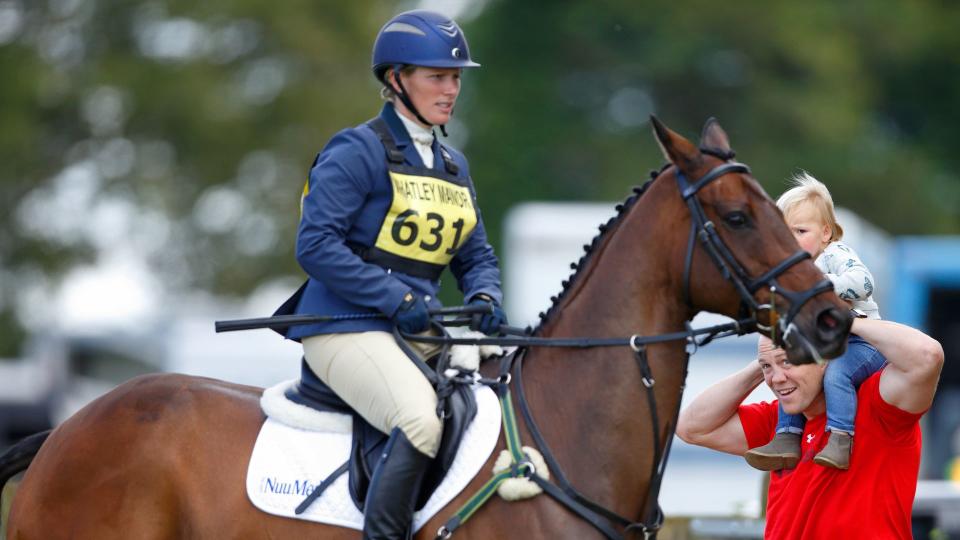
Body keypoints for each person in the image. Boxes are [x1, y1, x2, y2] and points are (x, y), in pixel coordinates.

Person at [273, 10, 506, 539]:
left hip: (412, 328)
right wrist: (395, 296)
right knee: (419, 420)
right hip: (343, 324)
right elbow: (315, 245)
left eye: (456, 78)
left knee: (511, 389)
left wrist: (486, 294)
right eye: (437, 77)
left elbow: (476, 257)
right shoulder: (355, 151)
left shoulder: (453, 166)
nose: (451, 90)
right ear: (396, 79)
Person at [676, 318, 943, 538]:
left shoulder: (878, 407)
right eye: (768, 368)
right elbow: (691, 427)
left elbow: (927, 355)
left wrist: (845, 320)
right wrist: (766, 360)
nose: (777, 379)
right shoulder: (779, 424)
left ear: (826, 358)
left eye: (789, 362)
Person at [744, 173, 884, 471]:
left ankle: (840, 438)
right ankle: (786, 436)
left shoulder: (834, 254)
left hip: (861, 343)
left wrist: (819, 284)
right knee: (791, 374)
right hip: (820, 342)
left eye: (800, 231)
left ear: (826, 233)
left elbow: (863, 283)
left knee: (835, 375)